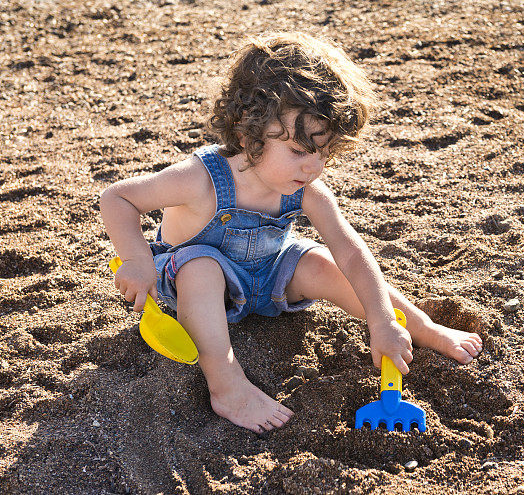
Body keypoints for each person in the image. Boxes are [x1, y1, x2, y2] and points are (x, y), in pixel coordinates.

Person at [100, 32, 483, 436]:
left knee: (319, 260)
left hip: (267, 278)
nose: (313, 167)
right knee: (202, 266)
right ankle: (227, 384)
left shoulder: (307, 189)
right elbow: (118, 198)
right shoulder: (201, 179)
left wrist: (382, 320)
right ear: (248, 136)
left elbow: (350, 252)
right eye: (299, 152)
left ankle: (419, 326)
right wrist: (138, 259)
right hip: (191, 291)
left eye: (324, 152)